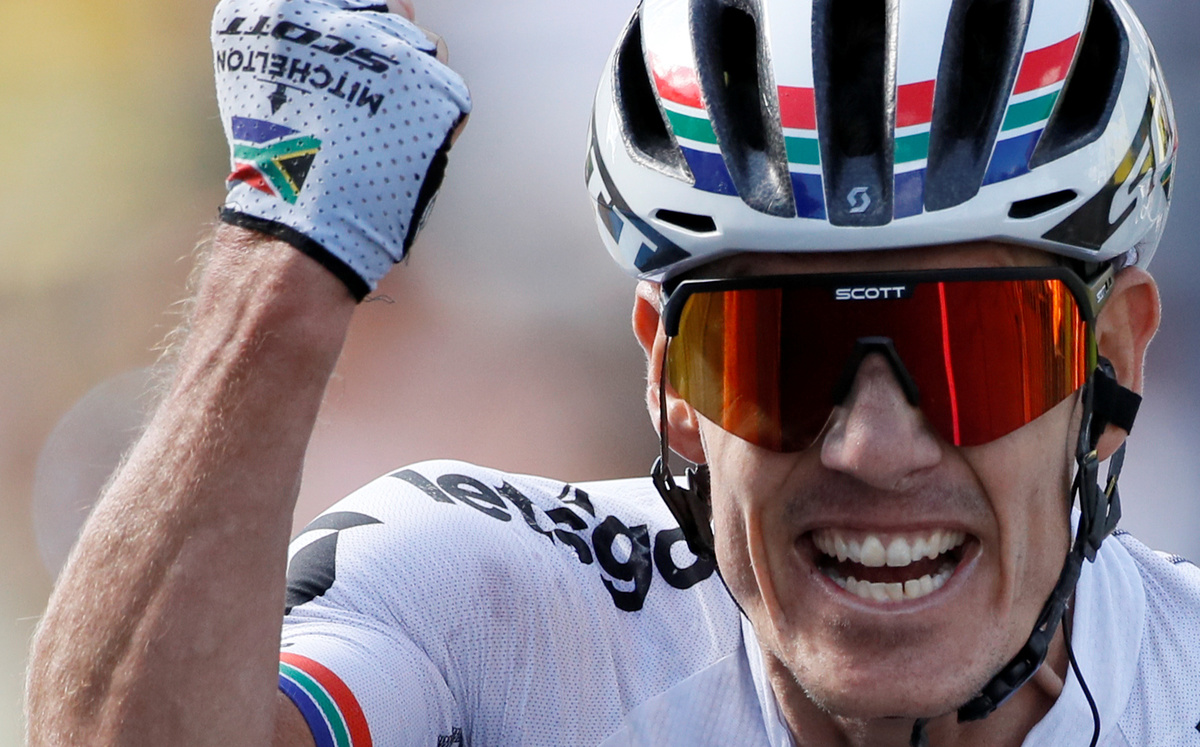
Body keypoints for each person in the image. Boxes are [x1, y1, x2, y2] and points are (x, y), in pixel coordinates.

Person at [24, 0, 1200, 744]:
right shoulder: (499, 618)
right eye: (781, 358)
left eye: (969, 353)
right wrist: (280, 273)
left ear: (1110, 366)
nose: (874, 446)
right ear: (672, 383)